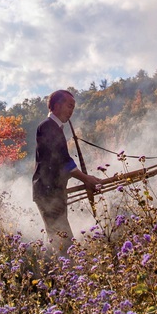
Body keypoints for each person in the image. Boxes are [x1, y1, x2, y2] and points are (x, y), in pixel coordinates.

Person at [32, 89, 102, 254]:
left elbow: (62, 162)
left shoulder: (55, 128)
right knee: (63, 240)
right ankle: (65, 273)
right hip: (47, 192)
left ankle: (59, 271)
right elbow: (62, 161)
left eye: (73, 107)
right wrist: (86, 178)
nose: (72, 111)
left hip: (53, 191)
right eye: (69, 106)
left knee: (60, 239)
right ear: (56, 106)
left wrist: (86, 180)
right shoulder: (48, 127)